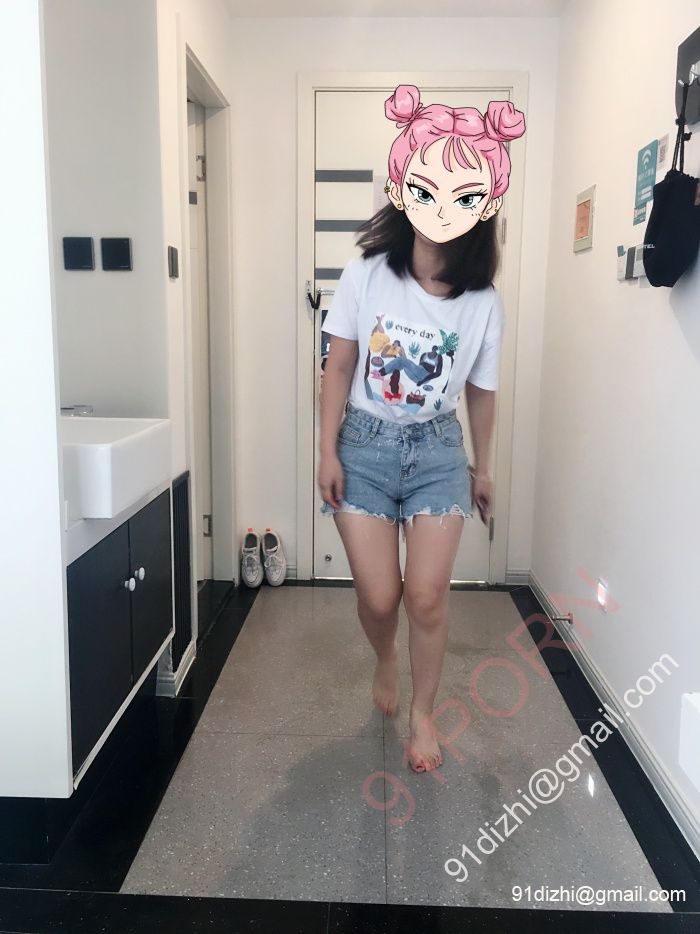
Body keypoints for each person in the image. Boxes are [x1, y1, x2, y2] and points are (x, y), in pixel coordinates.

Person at [317, 84, 526, 773]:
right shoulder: (367, 273)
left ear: (483, 205)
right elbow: (338, 364)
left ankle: (423, 712)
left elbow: (482, 393)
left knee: (427, 597)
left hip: (438, 451)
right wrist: (326, 450)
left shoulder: (483, 301)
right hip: (363, 447)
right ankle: (385, 657)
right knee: (380, 597)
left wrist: (483, 468)